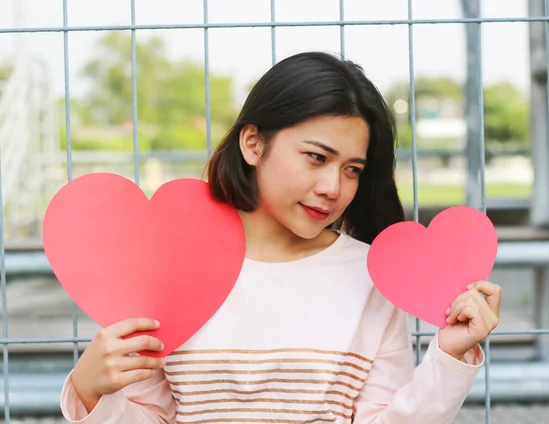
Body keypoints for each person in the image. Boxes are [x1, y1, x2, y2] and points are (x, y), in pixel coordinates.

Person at [60, 51, 501, 424]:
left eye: (352, 169)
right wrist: (91, 390)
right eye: (315, 157)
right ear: (253, 143)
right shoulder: (168, 266)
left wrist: (449, 356)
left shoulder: (369, 279)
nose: (334, 186)